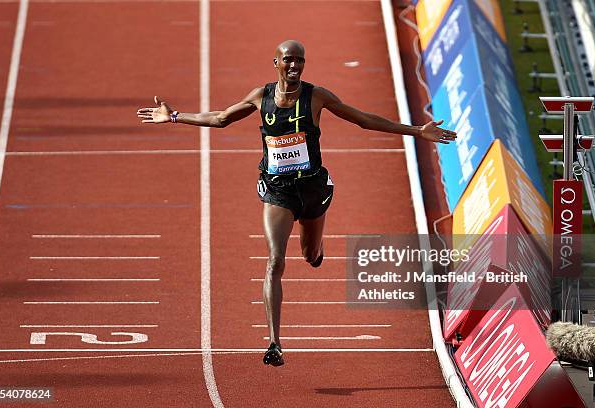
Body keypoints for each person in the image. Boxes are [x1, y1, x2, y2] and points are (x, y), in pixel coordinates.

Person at [137, 40, 456, 367]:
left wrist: (417, 130)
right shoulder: (260, 97)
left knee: (309, 254)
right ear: (275, 62)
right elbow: (221, 118)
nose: (294, 66)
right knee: (275, 260)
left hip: (312, 188)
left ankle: (316, 250)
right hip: (278, 191)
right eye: (288, 60)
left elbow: (363, 119)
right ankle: (274, 342)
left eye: (299, 61)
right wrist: (174, 116)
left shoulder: (317, 97)